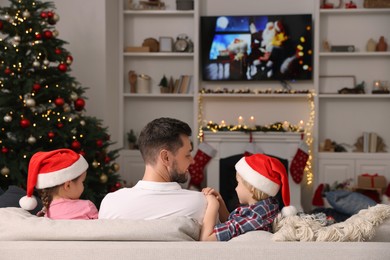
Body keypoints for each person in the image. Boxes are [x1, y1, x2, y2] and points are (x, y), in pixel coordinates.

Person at [98, 117, 207, 224]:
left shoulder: (110, 203)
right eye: (187, 154)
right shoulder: (200, 203)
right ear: (166, 158)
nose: (192, 161)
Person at [200, 153, 297, 241]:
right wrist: (221, 203)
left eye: (238, 183)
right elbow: (234, 224)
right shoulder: (266, 208)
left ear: (252, 188)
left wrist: (212, 204)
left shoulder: (255, 218)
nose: (236, 188)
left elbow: (206, 239)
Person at [19, 148, 98, 220]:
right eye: (82, 182)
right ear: (68, 185)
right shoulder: (87, 207)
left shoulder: (44, 215)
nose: (83, 186)